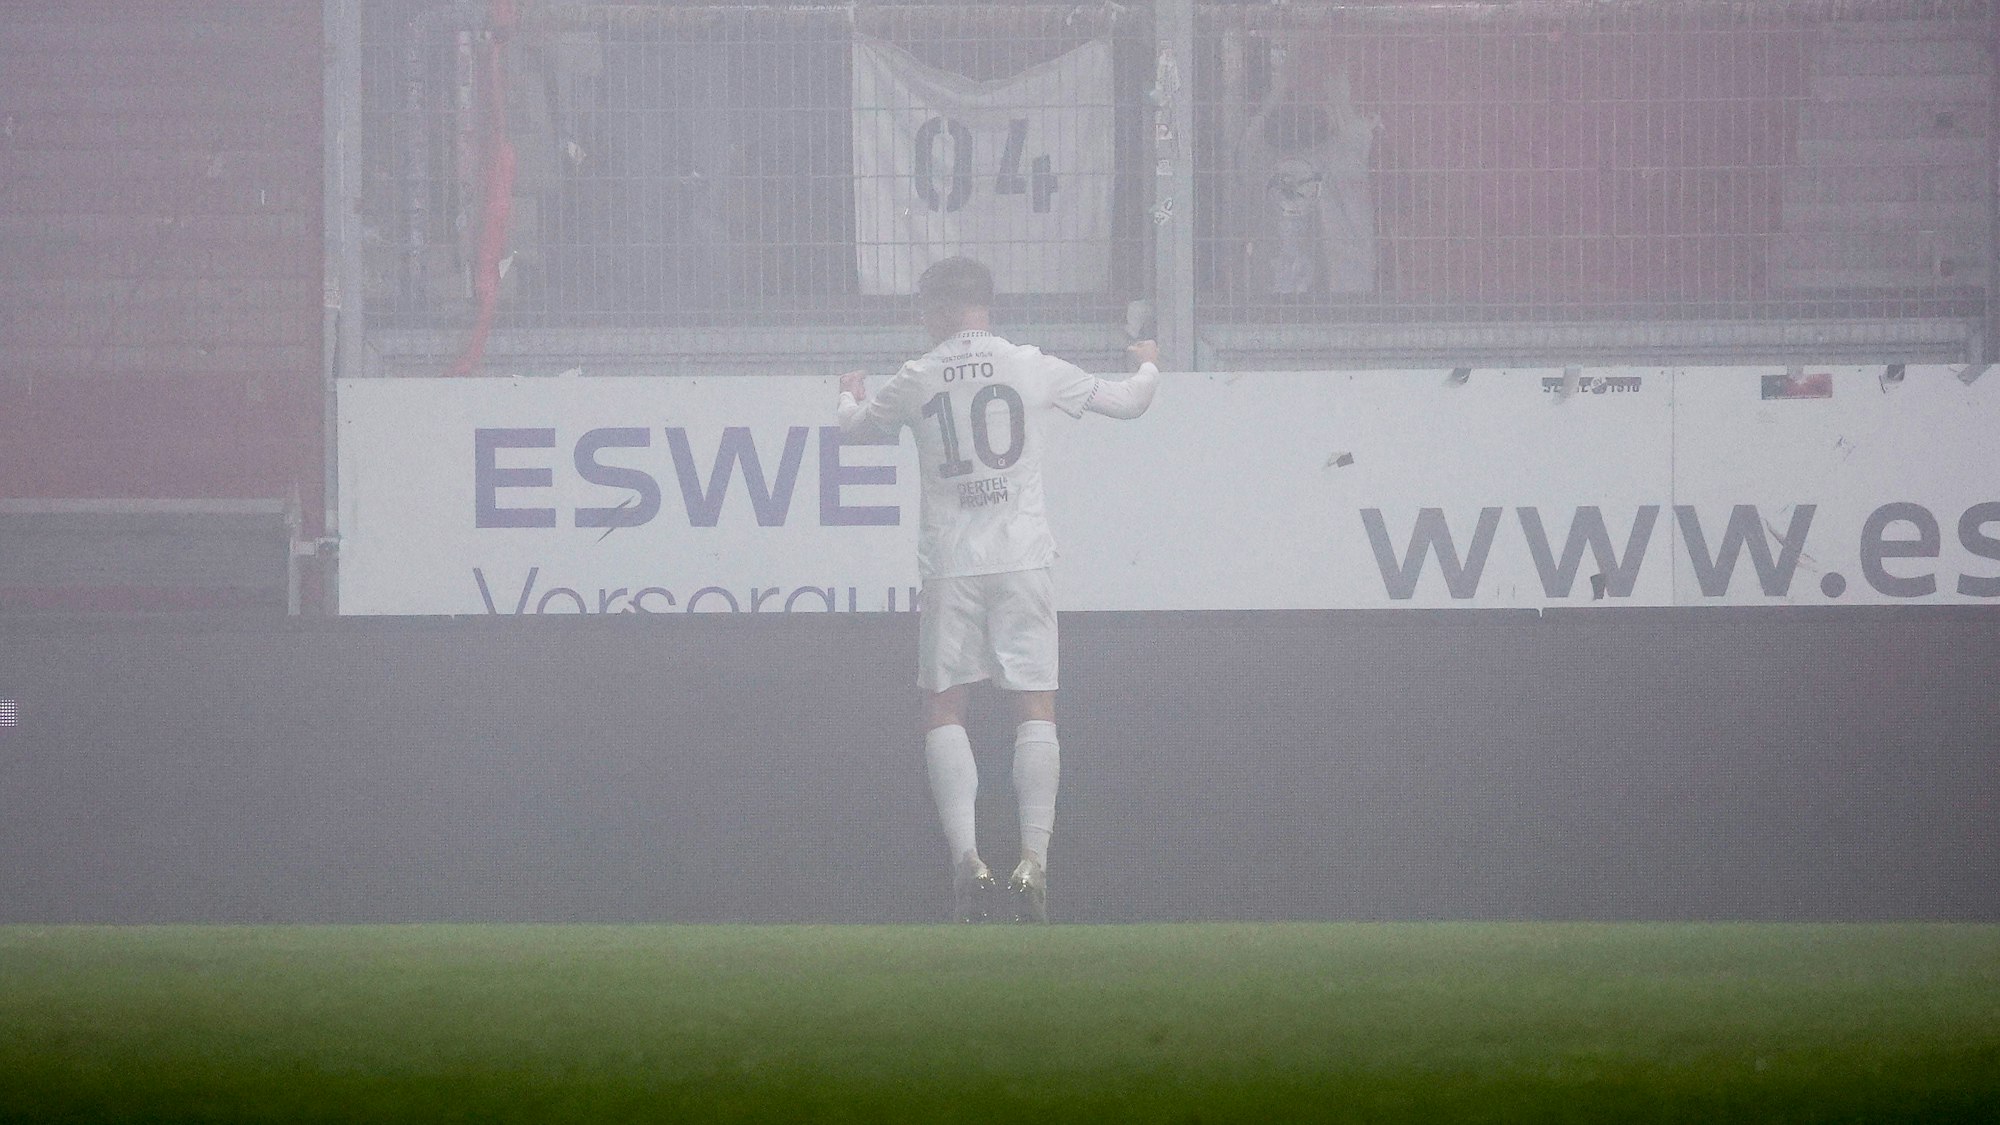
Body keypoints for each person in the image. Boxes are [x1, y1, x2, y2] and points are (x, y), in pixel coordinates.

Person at [836, 257, 1159, 923]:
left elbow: (855, 429)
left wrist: (846, 393)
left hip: (952, 561)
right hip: (1023, 556)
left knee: (945, 706)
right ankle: (1034, 860)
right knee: (1034, 704)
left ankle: (967, 859)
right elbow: (1130, 402)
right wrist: (1149, 361)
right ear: (987, 306)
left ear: (932, 311)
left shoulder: (917, 376)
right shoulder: (1028, 363)